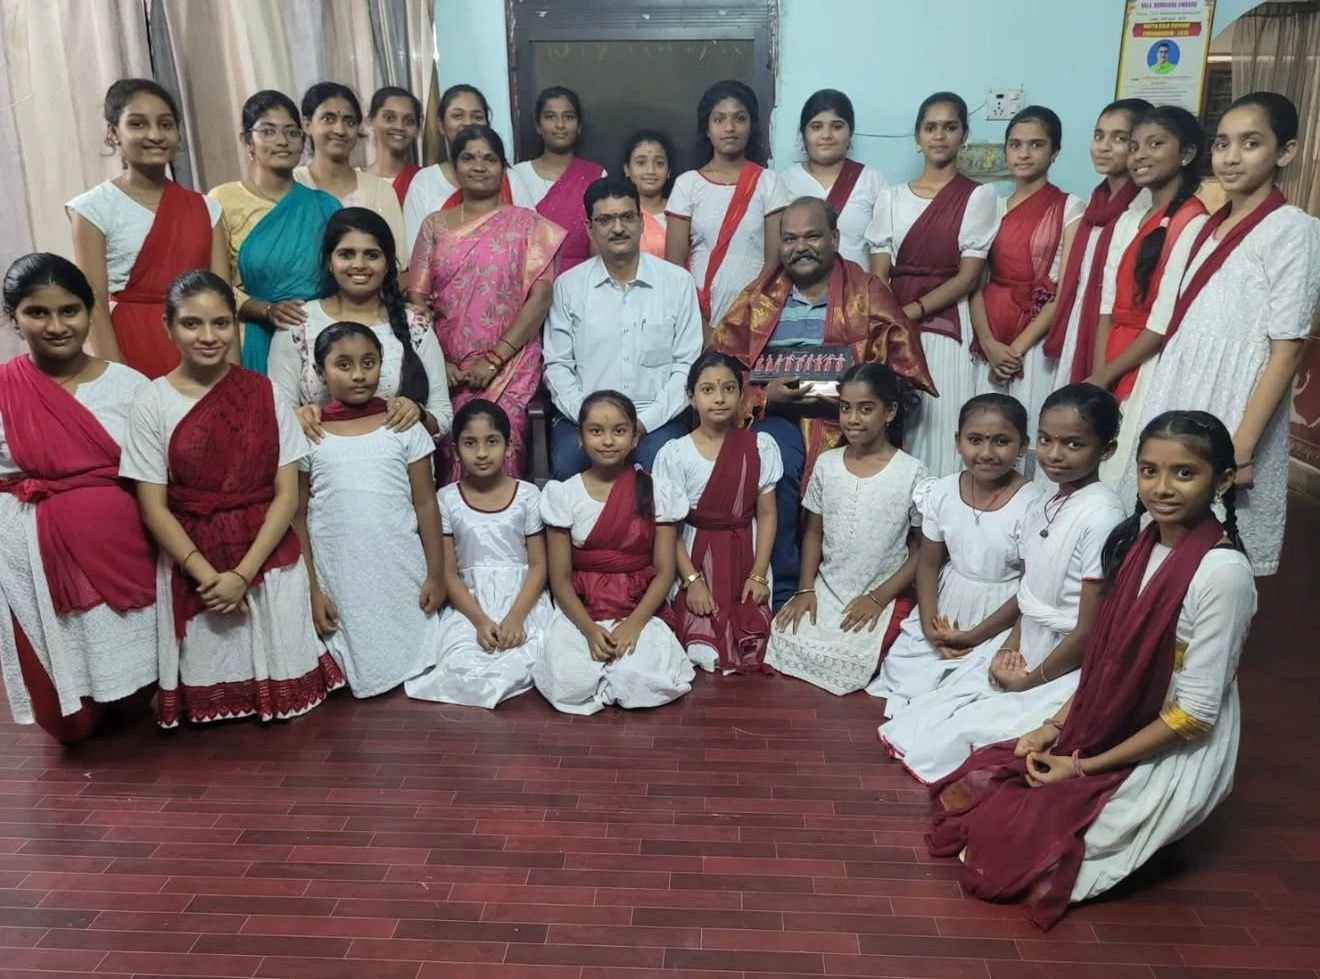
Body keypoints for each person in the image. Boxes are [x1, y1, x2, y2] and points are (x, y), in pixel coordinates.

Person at [928, 411, 1256, 930]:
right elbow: (1108, 658)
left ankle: (1158, 833)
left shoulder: (1224, 574)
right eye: (1149, 471)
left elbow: (1194, 715)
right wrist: (1053, 727)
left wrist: (1081, 767)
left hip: (1171, 736)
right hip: (1113, 710)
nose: (1161, 488)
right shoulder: (1142, 540)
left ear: (1223, 480)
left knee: (1036, 860)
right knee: (990, 804)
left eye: (1184, 473)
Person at [118, 271, 344, 726]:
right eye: (191, 324)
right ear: (168, 326)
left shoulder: (265, 392)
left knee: (298, 722)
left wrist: (242, 574)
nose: (208, 336)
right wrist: (210, 577)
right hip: (195, 562)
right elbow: (153, 507)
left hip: (266, 556)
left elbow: (286, 496)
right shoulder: (151, 401)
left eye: (221, 323)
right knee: (215, 720)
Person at [880, 384, 1125, 784]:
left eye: (1073, 444)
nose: (1055, 454)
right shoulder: (1054, 502)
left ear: (1106, 449)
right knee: (940, 709)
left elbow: (1088, 628)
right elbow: (1033, 592)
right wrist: (1008, 647)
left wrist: (1027, 679)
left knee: (973, 731)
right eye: (1047, 440)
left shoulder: (1100, 517)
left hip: (1061, 653)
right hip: (1026, 635)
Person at [1129, 92, 1320, 577]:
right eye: (1223, 143)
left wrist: (1243, 446)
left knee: (1214, 554)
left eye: (1251, 143)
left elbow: (1286, 348)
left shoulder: (1291, 229)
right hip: (1184, 386)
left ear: (1286, 151)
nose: (1231, 157)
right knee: (1161, 535)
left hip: (1235, 402)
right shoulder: (1205, 226)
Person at [710, 196, 934, 607]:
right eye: (790, 238)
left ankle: (840, 588)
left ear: (834, 238)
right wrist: (763, 394)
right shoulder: (759, 296)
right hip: (777, 412)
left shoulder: (867, 292)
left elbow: (903, 376)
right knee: (773, 461)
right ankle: (784, 590)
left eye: (812, 235)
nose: (801, 247)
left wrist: (854, 398)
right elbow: (719, 369)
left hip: (848, 420)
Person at [0, 254, 159, 743]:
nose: (55, 326)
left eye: (69, 310)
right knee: (71, 725)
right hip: (28, 558)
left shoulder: (130, 386)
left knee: (132, 698)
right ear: (14, 317)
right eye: (37, 313)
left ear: (91, 312)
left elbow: (159, 478)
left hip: (122, 551)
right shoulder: (4, 387)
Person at [292, 322, 442, 698]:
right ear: (320, 372)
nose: (359, 375)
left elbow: (426, 503)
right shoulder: (311, 433)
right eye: (343, 365)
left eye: (369, 362)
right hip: (340, 575)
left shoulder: (404, 425)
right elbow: (298, 516)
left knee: (424, 657)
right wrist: (312, 590)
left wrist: (437, 575)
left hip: (400, 569)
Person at [407, 125, 565, 479]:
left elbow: (541, 297)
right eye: (468, 158)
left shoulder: (529, 226)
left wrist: (494, 359)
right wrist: (439, 361)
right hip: (448, 370)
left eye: (489, 159)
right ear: (455, 167)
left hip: (510, 367)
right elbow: (417, 296)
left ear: (503, 167)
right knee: (453, 457)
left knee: (502, 452)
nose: (479, 166)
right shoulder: (434, 226)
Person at [868, 394, 1041, 714]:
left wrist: (974, 636)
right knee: (907, 670)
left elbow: (1031, 587)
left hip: (1002, 611)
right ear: (958, 441)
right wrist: (931, 627)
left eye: (1001, 441)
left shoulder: (1033, 504)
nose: (987, 453)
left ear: (1023, 444)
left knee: (977, 690)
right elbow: (929, 562)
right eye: (975, 440)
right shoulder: (943, 491)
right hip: (947, 603)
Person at [766, 363, 927, 694]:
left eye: (866, 409)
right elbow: (813, 533)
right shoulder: (827, 463)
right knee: (785, 637)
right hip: (829, 586)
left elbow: (922, 549)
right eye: (845, 408)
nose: (853, 419)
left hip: (880, 590)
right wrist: (806, 590)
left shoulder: (912, 472)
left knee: (868, 657)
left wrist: (878, 599)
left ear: (890, 411)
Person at [533, 391, 695, 714]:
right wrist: (589, 630)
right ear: (579, 438)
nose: (608, 441)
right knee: (570, 681)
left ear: (635, 436)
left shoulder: (656, 491)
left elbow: (664, 571)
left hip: (637, 604)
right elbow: (560, 578)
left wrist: (633, 625)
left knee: (642, 679)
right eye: (596, 431)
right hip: (582, 606)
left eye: (619, 431)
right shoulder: (563, 495)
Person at [867, 92, 999, 476]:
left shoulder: (977, 196)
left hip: (945, 322)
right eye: (930, 127)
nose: (939, 136)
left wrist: (911, 312)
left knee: (941, 419)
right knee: (896, 417)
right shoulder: (890, 198)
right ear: (917, 137)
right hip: (892, 325)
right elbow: (879, 273)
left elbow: (969, 276)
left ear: (964, 135)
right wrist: (890, 319)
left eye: (949, 127)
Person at [67, 79, 228, 379]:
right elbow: (95, 305)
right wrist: (117, 381)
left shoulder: (207, 208)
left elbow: (222, 300)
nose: (154, 135)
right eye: (138, 124)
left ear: (178, 134)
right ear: (114, 133)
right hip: (130, 348)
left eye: (165, 124)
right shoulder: (92, 208)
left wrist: (232, 376)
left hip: (201, 344)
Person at [543, 177, 701, 479]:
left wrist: (642, 422)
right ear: (590, 228)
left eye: (627, 217)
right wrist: (592, 422)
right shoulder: (568, 287)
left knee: (662, 465)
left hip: (655, 417)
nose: (618, 228)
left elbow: (687, 366)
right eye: (605, 220)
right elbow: (558, 366)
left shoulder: (677, 283)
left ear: (641, 222)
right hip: (585, 415)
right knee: (567, 465)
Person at [1088, 106, 1209, 485]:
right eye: (1135, 146)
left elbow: (1162, 322)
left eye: (1156, 144)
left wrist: (1106, 375)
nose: (1139, 155)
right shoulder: (1127, 220)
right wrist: (1098, 374)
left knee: (1127, 466)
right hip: (1112, 352)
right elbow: (1107, 306)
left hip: (1150, 361)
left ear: (1186, 154)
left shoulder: (1193, 222)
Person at [405, 400, 553, 708]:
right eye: (470, 444)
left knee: (527, 659)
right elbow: (448, 573)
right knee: (460, 664)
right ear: (456, 451)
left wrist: (515, 618)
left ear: (509, 446)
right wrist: (480, 621)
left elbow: (539, 565)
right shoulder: (446, 500)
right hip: (470, 603)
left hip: (522, 600)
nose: (482, 453)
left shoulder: (528, 495)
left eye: (492, 442)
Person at [268, 207, 452, 439]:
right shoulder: (298, 323)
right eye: (346, 254)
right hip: (319, 466)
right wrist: (297, 417)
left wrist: (418, 414)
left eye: (371, 255)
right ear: (329, 262)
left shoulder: (414, 324)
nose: (359, 264)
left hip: (400, 466)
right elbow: (277, 414)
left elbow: (444, 416)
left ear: (387, 265)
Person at [654, 353, 782, 674]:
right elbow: (668, 526)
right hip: (696, 556)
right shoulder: (675, 453)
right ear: (691, 398)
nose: (719, 398)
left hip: (745, 554)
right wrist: (692, 581)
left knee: (755, 639)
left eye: (728, 389)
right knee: (701, 649)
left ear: (742, 395)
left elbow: (766, 515)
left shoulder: (760, 446)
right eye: (708, 390)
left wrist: (758, 573)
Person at [970, 106, 1085, 462]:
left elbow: (1065, 288)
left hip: (1035, 338)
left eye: (1036, 144)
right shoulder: (992, 206)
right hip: (989, 328)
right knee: (985, 429)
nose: (1024, 153)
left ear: (1055, 152)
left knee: (1029, 430)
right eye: (1015, 144)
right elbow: (973, 281)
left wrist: (1015, 349)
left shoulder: (1070, 208)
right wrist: (989, 343)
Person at [209, 90, 341, 375]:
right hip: (248, 337)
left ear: (303, 141)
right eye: (268, 131)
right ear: (247, 141)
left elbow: (340, 279)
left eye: (292, 133)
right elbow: (215, 287)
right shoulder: (221, 201)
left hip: (317, 335)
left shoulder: (324, 206)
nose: (282, 142)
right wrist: (266, 310)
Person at [1044, 99, 1152, 392]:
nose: (1103, 146)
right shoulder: (1096, 201)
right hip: (1080, 319)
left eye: (1119, 138)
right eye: (1098, 135)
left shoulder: (1144, 206)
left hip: (1113, 327)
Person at [666, 79, 783, 327]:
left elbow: (774, 263)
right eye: (719, 120)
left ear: (751, 126)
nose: (730, 127)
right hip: (698, 315)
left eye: (739, 118)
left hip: (755, 317)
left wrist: (747, 316)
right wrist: (699, 323)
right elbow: (675, 267)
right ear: (707, 129)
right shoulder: (687, 185)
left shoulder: (769, 182)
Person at [293, 83, 408, 268]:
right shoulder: (293, 184)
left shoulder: (381, 191)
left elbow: (399, 264)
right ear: (307, 125)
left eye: (349, 121)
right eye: (328, 119)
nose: (340, 130)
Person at [772, 89, 885, 267]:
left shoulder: (871, 181)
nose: (827, 135)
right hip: (797, 292)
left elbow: (881, 251)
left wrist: (875, 291)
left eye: (837, 126)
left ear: (850, 134)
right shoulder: (782, 182)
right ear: (803, 135)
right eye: (816, 127)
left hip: (856, 291)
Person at [509, 86, 607, 272]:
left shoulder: (596, 175)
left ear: (579, 126)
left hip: (582, 281)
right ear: (538, 125)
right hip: (527, 282)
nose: (560, 125)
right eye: (550, 117)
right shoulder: (516, 175)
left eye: (568, 117)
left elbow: (600, 240)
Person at [402, 84, 513, 249]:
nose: (468, 123)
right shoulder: (424, 181)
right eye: (457, 115)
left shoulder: (509, 177)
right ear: (441, 124)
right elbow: (417, 253)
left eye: (477, 116)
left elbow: (532, 243)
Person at [362, 86, 422, 205]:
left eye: (408, 121)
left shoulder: (424, 181)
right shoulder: (355, 181)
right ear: (371, 120)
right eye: (389, 118)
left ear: (417, 129)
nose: (399, 127)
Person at [622, 129, 675, 259]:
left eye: (659, 163)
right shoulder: (618, 214)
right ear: (627, 169)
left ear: (669, 171)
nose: (650, 170)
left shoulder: (679, 213)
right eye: (641, 163)